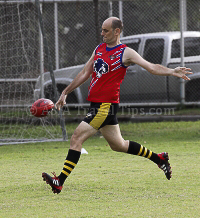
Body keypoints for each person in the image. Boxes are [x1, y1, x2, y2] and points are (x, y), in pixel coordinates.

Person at [42, 17, 192, 194]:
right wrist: (65, 92)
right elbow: (84, 72)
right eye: (102, 30)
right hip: (97, 105)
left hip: (105, 106)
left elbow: (151, 67)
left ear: (116, 31)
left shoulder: (125, 52)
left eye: (106, 30)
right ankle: (159, 158)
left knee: (76, 138)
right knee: (118, 145)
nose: (102, 33)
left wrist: (172, 71)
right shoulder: (99, 49)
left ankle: (60, 180)